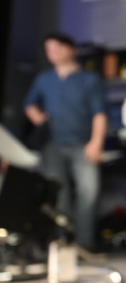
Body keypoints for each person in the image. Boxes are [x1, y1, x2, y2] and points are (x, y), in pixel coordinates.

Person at [22, 33, 107, 252]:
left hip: (82, 143)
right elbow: (29, 104)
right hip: (53, 144)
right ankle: (63, 241)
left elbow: (100, 113)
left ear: (71, 50)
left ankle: (84, 242)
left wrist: (96, 142)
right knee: (59, 194)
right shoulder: (44, 79)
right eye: (49, 50)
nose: (54, 53)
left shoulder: (89, 79)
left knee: (89, 191)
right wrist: (39, 118)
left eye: (58, 48)